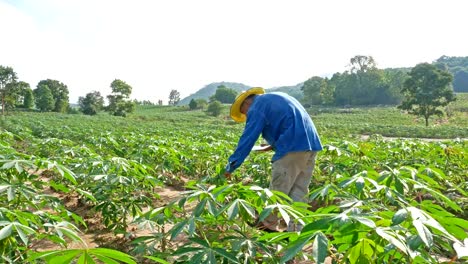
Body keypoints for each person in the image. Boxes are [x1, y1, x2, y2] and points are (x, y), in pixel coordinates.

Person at [224, 87, 322, 232]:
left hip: (291, 147)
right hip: (310, 145)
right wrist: (273, 146)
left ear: (246, 104)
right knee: (299, 191)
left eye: (244, 112)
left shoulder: (257, 106)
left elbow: (249, 137)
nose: (246, 115)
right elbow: (290, 124)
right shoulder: (278, 97)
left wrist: (232, 165)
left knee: (278, 191)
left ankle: (267, 225)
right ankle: (296, 231)